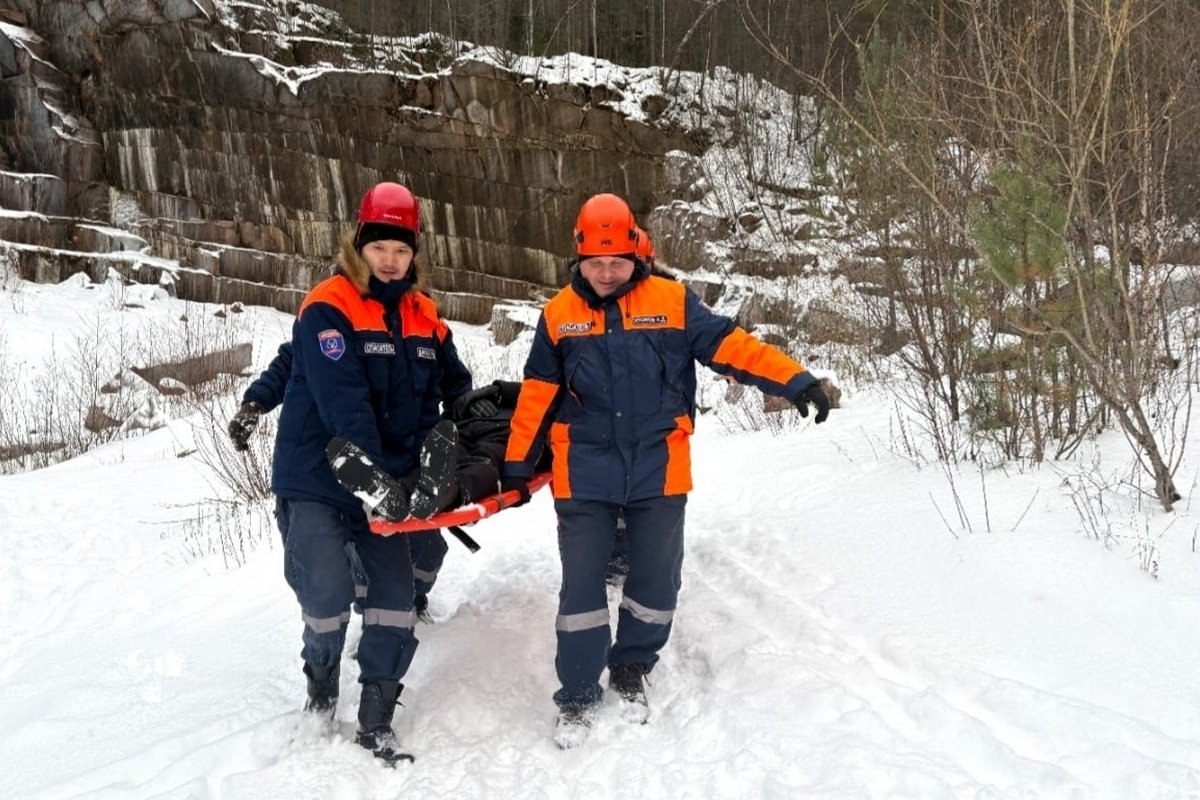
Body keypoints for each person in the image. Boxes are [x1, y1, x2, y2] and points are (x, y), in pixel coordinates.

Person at [500, 193, 831, 749]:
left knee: (656, 578)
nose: (606, 274)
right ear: (578, 258)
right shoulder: (558, 315)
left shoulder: (673, 302)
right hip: (584, 469)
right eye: (595, 263)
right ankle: (578, 695)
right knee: (581, 585)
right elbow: (537, 394)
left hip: (658, 465)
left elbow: (734, 348)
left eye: (617, 262)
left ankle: (631, 669)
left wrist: (794, 380)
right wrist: (516, 464)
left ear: (635, 254)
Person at [270, 181, 474, 763]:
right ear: (359, 244)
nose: (390, 260)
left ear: (415, 255)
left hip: (393, 483)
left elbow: (452, 387)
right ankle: (321, 679)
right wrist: (375, 485)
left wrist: (484, 426)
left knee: (392, 597)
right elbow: (346, 405)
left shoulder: (424, 314)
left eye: (402, 250)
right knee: (328, 594)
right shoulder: (327, 307)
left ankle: (378, 715)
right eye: (380, 247)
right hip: (318, 477)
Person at [227, 343, 454, 621]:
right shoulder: (332, 317)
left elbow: (449, 379)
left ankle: (411, 605)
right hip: (323, 465)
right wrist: (255, 402)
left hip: (390, 464)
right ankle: (355, 634)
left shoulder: (420, 324)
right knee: (330, 570)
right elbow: (295, 355)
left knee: (425, 547)